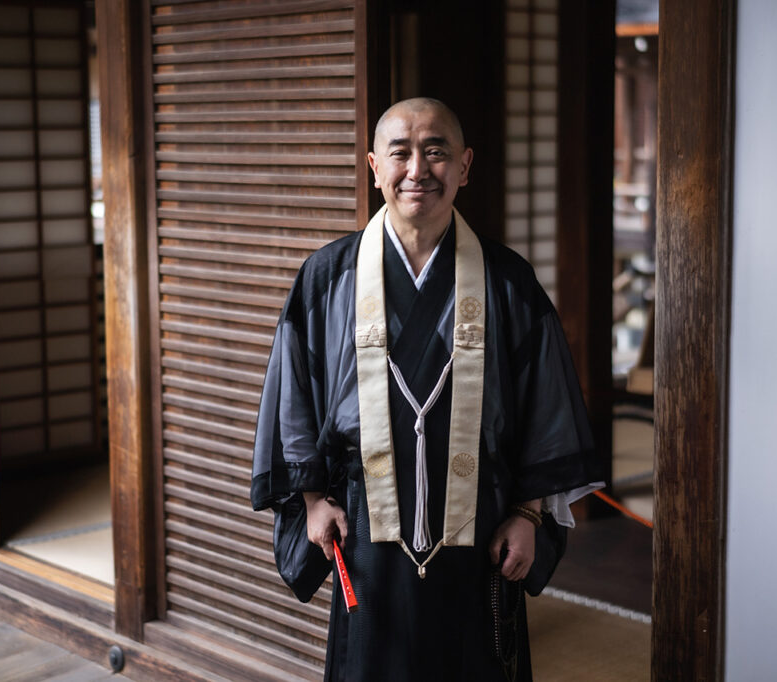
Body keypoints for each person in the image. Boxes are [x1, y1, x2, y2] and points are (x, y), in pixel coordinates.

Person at [251, 98, 602, 682]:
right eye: (401, 153)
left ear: (465, 166)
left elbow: (545, 402)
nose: (419, 169)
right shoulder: (328, 276)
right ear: (373, 166)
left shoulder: (508, 280)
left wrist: (527, 513)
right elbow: (295, 397)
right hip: (362, 528)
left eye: (436, 152)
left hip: (481, 530)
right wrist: (312, 500)